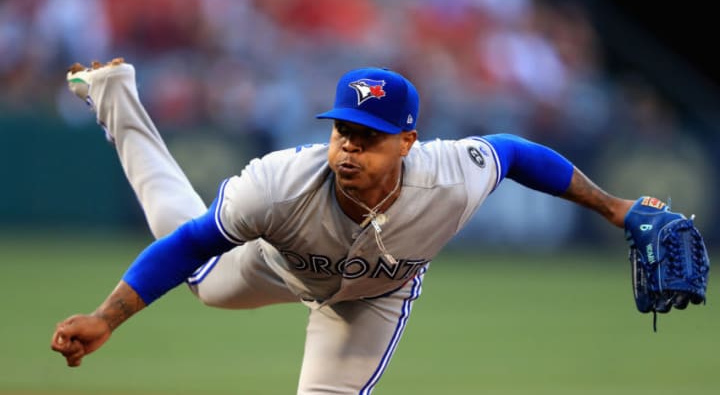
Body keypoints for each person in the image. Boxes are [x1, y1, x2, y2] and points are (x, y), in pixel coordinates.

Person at [52, 58, 635, 394]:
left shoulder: (452, 176)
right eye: (342, 133)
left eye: (369, 138)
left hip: (371, 300)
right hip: (276, 264)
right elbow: (188, 244)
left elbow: (515, 153)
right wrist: (106, 318)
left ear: (408, 142)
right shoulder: (279, 184)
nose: (350, 150)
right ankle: (113, 95)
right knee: (201, 275)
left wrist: (615, 208)